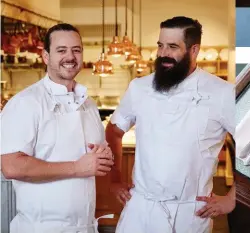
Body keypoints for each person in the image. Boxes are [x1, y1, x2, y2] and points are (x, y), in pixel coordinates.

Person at [106, 16, 236, 232]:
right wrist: (115, 180)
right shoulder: (139, 87)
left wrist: (233, 198)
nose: (163, 53)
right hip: (140, 209)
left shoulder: (222, 93)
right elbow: (114, 130)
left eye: (173, 47)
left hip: (188, 214)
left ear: (194, 50)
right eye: (160, 45)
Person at [1, 23, 114, 233]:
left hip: (85, 226)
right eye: (61, 50)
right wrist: (77, 167)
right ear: (46, 56)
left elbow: (100, 157)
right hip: (41, 227)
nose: (70, 57)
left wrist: (104, 157)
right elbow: (11, 166)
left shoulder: (88, 104)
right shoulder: (26, 102)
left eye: (76, 50)